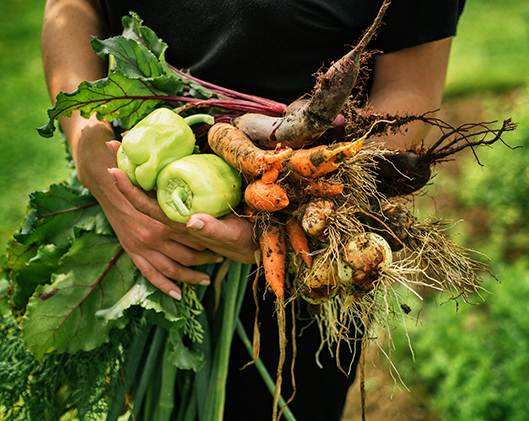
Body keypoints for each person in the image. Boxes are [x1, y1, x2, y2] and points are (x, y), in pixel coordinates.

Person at [41, 0, 466, 419]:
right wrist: (89, 145)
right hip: (134, 219)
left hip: (309, 248)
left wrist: (297, 209)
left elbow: (409, 87)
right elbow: (70, 8)